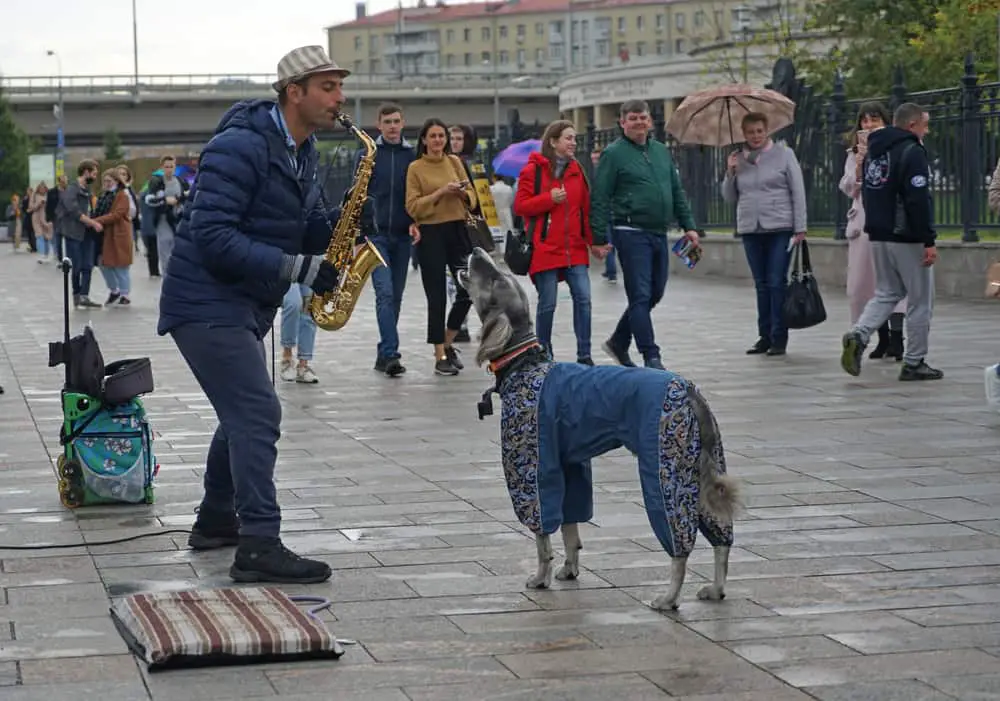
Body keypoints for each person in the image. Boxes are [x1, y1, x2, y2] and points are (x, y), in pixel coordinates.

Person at [157, 45, 347, 583]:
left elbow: (300, 225)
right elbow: (212, 236)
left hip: (243, 301)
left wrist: (343, 220)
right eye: (328, 87)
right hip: (205, 301)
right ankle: (259, 544)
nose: (340, 98)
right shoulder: (238, 146)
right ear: (295, 92)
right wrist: (297, 268)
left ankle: (218, 521)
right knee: (259, 414)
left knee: (242, 414)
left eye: (339, 86)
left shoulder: (302, 151)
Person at [590, 99, 697, 370]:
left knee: (655, 293)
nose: (639, 122)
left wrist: (690, 226)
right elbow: (600, 196)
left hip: (658, 232)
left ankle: (618, 341)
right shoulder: (613, 154)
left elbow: (676, 191)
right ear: (622, 122)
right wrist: (599, 237)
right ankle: (651, 355)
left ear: (650, 121)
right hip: (630, 231)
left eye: (643, 117)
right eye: (633, 118)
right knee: (639, 295)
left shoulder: (661, 151)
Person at [841, 102, 942, 381]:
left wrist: (877, 225)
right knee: (921, 300)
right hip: (907, 235)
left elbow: (869, 192)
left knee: (886, 291)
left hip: (878, 233)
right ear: (912, 125)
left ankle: (859, 334)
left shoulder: (874, 150)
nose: (927, 130)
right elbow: (917, 199)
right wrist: (928, 239)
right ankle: (914, 361)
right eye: (925, 124)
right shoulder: (912, 150)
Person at [722, 111, 808, 357]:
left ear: (767, 130)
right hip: (750, 227)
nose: (756, 136)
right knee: (761, 284)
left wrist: (800, 226)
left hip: (780, 226)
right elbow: (729, 197)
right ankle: (765, 335)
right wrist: (731, 173)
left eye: (760, 131)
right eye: (750, 132)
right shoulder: (738, 158)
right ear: (744, 134)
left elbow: (798, 191)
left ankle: (779, 337)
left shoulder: (784, 154)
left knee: (776, 281)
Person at [513, 119, 595, 364]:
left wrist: (595, 242)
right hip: (545, 248)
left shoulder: (577, 169)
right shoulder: (533, 171)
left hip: (575, 248)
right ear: (553, 141)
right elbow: (521, 206)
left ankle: (585, 353)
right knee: (547, 303)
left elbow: (585, 209)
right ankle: (544, 351)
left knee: (584, 298)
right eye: (568, 138)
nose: (573, 143)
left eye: (575, 139)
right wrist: (548, 199)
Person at [405, 117, 477, 376]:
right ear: (424, 139)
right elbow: (413, 206)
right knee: (436, 297)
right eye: (433, 136)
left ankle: (448, 341)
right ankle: (439, 355)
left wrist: (461, 193)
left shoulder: (455, 162)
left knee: (468, 290)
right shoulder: (415, 168)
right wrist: (439, 193)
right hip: (431, 233)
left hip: (457, 230)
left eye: (441, 136)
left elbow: (473, 200)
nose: (438, 140)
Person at [840, 102, 906, 361]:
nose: (869, 125)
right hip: (862, 224)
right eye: (864, 121)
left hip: (890, 221)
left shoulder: (897, 147)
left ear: (886, 122)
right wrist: (858, 166)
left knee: (892, 281)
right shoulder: (854, 152)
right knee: (862, 286)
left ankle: (898, 339)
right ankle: (880, 338)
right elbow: (847, 188)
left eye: (874, 120)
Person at [360, 102, 419, 377]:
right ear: (379, 125)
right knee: (384, 293)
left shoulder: (412, 156)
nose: (393, 126)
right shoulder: (370, 155)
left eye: (397, 121)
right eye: (388, 122)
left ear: (403, 123)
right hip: (377, 236)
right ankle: (391, 354)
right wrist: (361, 235)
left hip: (403, 236)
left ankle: (383, 352)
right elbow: (358, 196)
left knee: (395, 297)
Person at [56, 160, 103, 308]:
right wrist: (93, 223)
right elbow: (75, 212)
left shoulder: (88, 190)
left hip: (87, 234)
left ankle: (84, 296)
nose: (95, 177)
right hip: (74, 233)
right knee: (75, 266)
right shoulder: (71, 190)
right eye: (94, 173)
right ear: (86, 172)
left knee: (88, 265)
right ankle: (77, 295)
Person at [144, 155, 189, 275]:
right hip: (163, 221)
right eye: (166, 167)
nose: (169, 169)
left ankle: (179, 276)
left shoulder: (180, 181)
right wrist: (165, 200)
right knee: (165, 252)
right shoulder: (157, 182)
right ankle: (167, 277)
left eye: (171, 166)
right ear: (162, 167)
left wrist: (181, 201)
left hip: (178, 220)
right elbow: (149, 200)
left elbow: (188, 199)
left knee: (179, 251)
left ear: (175, 167)